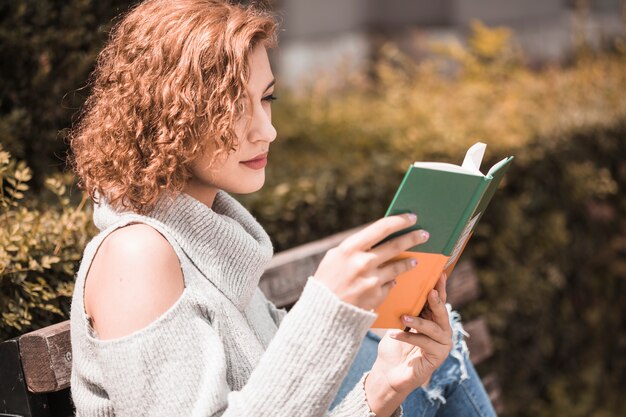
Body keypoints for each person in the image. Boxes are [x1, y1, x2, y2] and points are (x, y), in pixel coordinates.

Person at [68, 1, 497, 416]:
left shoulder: (208, 240)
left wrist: (385, 386)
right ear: (166, 114)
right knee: (447, 356)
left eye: (267, 98)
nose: (267, 130)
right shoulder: (136, 256)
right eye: (232, 105)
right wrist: (326, 307)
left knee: (429, 353)